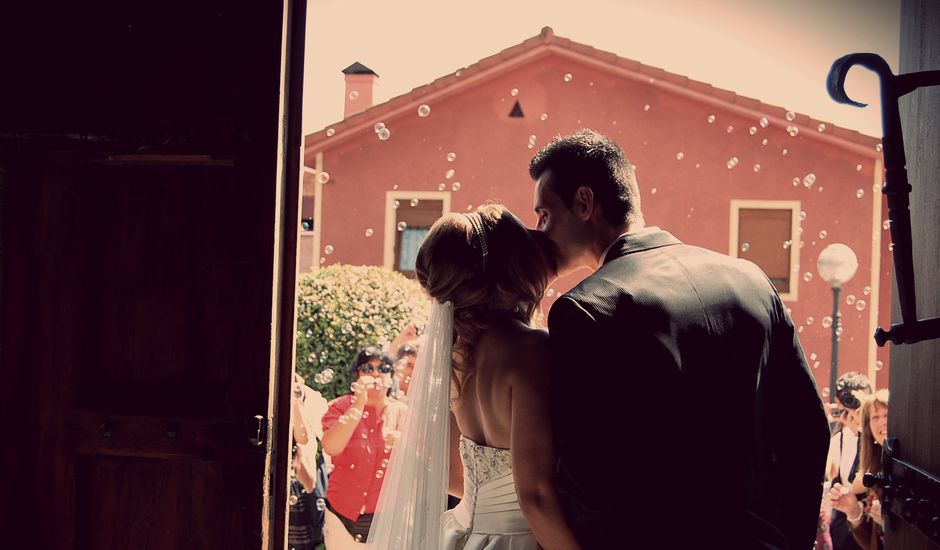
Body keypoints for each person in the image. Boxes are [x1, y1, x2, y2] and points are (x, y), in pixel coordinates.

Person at [529, 129, 831, 548]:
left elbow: (591, 481)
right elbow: (808, 430)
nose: (540, 232)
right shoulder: (751, 278)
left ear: (584, 202)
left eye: (544, 214)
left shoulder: (586, 308)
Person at [365, 205, 580, 549]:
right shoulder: (531, 350)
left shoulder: (453, 356)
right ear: (514, 271)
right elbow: (535, 495)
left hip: (462, 534)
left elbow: (453, 475)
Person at [321, 346, 405, 544]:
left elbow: (422, 458)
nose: (376, 373)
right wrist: (358, 404)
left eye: (383, 369)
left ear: (391, 376)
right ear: (358, 374)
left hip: (383, 515)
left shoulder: (402, 413)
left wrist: (402, 442)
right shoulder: (340, 407)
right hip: (340, 512)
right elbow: (331, 447)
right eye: (368, 368)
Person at [828, 389, 888, 550]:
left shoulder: (913, 462)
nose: (882, 422)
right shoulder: (874, 468)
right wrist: (854, 512)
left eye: (887, 415)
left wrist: (892, 523)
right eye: (875, 417)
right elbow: (870, 543)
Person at [826, 372, 873, 550]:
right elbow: (830, 476)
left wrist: (862, 430)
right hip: (841, 532)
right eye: (848, 399)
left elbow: (862, 483)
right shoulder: (836, 439)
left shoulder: (877, 438)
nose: (853, 406)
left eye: (858, 400)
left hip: (868, 529)